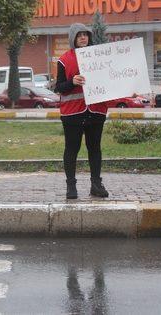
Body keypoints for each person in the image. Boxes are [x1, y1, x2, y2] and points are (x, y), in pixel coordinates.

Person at [54, 23, 109, 200]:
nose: (83, 38)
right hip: (72, 114)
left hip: (96, 111)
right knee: (72, 149)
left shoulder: (100, 57)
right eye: (79, 35)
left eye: (85, 34)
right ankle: (71, 186)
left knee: (95, 149)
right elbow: (59, 87)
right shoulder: (64, 60)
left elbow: (111, 79)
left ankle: (96, 185)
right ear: (73, 39)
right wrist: (72, 82)